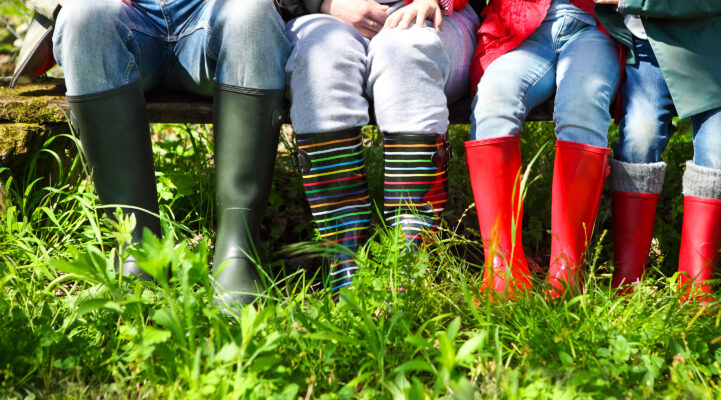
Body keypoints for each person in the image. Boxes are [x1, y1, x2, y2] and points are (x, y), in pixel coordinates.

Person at [21, 0, 291, 306]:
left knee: (253, 13)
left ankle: (238, 253)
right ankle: (138, 251)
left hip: (214, 19)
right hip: (120, 20)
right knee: (84, 16)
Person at [278, 0, 479, 292]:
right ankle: (345, 266)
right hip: (323, 17)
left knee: (409, 49)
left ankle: (412, 265)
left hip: (436, 20)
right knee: (320, 59)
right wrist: (323, 3)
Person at [593, 0, 721, 303]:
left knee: (717, 146)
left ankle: (696, 288)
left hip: (718, 47)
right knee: (640, 135)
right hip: (648, 49)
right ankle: (627, 281)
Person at [464, 0, 620, 299]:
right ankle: (503, 271)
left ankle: (567, 272)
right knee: (494, 100)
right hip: (522, 24)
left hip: (598, 25)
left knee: (582, 104)